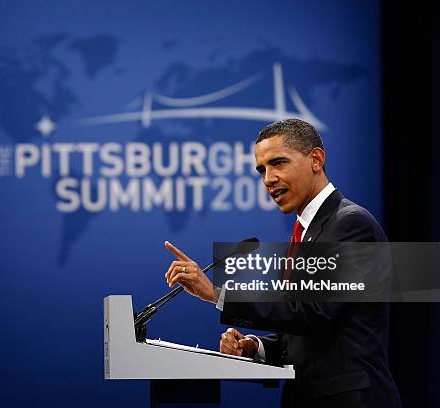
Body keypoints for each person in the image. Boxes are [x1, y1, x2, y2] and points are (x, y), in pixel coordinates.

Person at [164, 118, 402, 408]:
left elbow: (311, 310)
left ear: (316, 159)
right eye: (262, 170)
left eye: (278, 163)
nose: (268, 179)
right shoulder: (306, 232)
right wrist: (256, 346)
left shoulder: (350, 224)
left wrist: (217, 293)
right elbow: (307, 333)